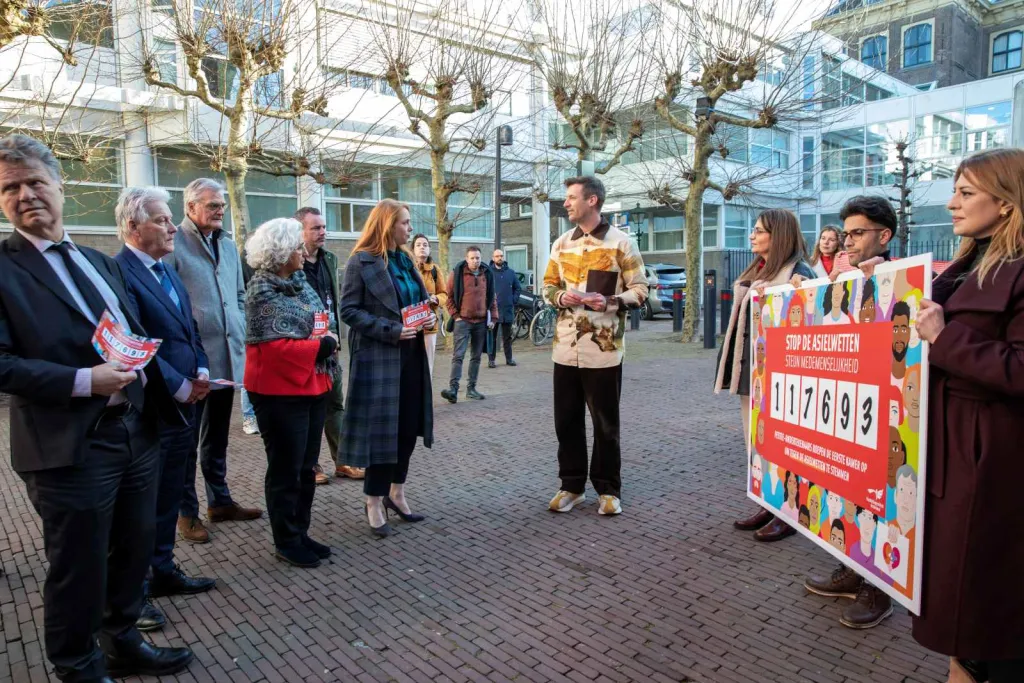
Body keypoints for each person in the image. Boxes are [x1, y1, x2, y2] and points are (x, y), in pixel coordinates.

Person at [0, 134, 194, 681]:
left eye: (35, 182)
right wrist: (85, 380)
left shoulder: (96, 262)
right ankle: (77, 665)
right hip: (67, 446)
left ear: (61, 187)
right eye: (10, 188)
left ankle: (122, 641)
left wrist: (172, 387)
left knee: (133, 551)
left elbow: (131, 334)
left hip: (134, 432)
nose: (25, 195)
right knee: (77, 566)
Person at [911, 148, 1024, 683]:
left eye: (966, 193)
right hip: (948, 446)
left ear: (1005, 202)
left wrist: (945, 339)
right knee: (959, 599)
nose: (952, 204)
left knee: (981, 598)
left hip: (990, 457)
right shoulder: (966, 263)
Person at [113, 187, 217, 633]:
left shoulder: (166, 270)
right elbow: (136, 343)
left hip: (184, 404)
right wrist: (178, 386)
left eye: (171, 218)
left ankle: (164, 570)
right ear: (133, 227)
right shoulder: (120, 274)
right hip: (152, 409)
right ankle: (133, 597)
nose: (173, 227)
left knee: (171, 492)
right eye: (161, 220)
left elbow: (188, 329)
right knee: (141, 507)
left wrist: (201, 368)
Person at [804, 194, 897, 630]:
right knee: (845, 493)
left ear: (885, 235)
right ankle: (851, 569)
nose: (847, 242)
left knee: (880, 500)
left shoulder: (906, 277)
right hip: (847, 407)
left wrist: (887, 286)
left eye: (857, 233)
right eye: (845, 234)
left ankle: (880, 588)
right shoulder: (842, 278)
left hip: (884, 413)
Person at [543, 176, 648, 517]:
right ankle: (571, 486)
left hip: (603, 352)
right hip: (564, 349)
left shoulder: (622, 244)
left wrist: (611, 301)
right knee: (566, 422)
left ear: (592, 201)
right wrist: (559, 295)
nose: (566, 203)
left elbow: (641, 289)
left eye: (572, 197)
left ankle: (608, 489)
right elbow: (548, 285)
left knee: (605, 424)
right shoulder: (560, 244)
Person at [168, 178, 261, 544]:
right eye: (211, 205)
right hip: (193, 361)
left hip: (226, 358)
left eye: (221, 204)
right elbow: (168, 298)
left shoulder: (227, 242)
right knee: (187, 441)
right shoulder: (174, 241)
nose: (219, 210)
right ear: (190, 208)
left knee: (217, 437)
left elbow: (238, 293)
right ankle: (186, 513)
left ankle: (219, 502)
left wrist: (236, 322)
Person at [715, 209, 815, 540]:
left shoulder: (799, 272)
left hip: (779, 377)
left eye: (758, 231)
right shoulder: (760, 269)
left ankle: (788, 513)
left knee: (781, 446)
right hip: (752, 371)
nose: (752, 236)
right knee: (755, 443)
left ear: (779, 236)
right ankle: (768, 502)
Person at [244, 218, 337, 568]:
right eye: (297, 247)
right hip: (278, 392)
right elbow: (272, 348)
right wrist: (322, 347)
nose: (303, 251)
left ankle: (300, 531)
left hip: (311, 385)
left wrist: (323, 342)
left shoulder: (299, 283)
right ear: (282, 253)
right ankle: (286, 540)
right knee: (286, 468)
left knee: (306, 466)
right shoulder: (260, 291)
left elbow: (318, 324)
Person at [340, 199, 434, 538]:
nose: (410, 229)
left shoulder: (406, 261)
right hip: (380, 357)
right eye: (405, 223)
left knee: (408, 427)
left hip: (411, 355)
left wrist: (427, 314)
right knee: (384, 433)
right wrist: (390, 329)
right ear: (387, 225)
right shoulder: (360, 262)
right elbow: (349, 311)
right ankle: (373, 499)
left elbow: (416, 303)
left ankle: (397, 492)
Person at [294, 207, 364, 486]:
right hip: (302, 344)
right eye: (315, 228)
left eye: (324, 227)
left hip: (329, 341)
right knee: (307, 407)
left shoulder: (330, 259)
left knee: (335, 403)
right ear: (300, 231)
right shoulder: (290, 261)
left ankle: (343, 460)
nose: (323, 232)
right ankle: (310, 465)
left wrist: (334, 335)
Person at [441, 246, 498, 403]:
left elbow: (492, 297)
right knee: (458, 355)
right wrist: (456, 316)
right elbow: (449, 296)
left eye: (478, 258)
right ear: (467, 259)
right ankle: (453, 389)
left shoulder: (487, 274)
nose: (475, 261)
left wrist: (493, 318)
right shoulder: (457, 273)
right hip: (463, 321)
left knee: (476, 357)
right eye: (472, 258)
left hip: (480, 322)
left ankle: (471, 389)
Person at [412, 233, 448, 376]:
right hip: (410, 324)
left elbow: (444, 294)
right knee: (411, 364)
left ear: (430, 249)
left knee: (428, 364)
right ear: (412, 249)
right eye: (418, 245)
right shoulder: (408, 268)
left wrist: (436, 299)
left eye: (425, 245)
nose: (422, 248)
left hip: (429, 324)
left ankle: (426, 396)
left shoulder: (435, 270)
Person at [487, 248, 521, 368]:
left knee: (507, 337)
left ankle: (509, 359)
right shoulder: (488, 273)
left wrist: (513, 300)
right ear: (493, 258)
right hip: (494, 310)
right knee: (493, 336)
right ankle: (491, 360)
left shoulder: (510, 273)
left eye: (501, 256)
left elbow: (518, 288)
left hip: (507, 309)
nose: (499, 258)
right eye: (497, 256)